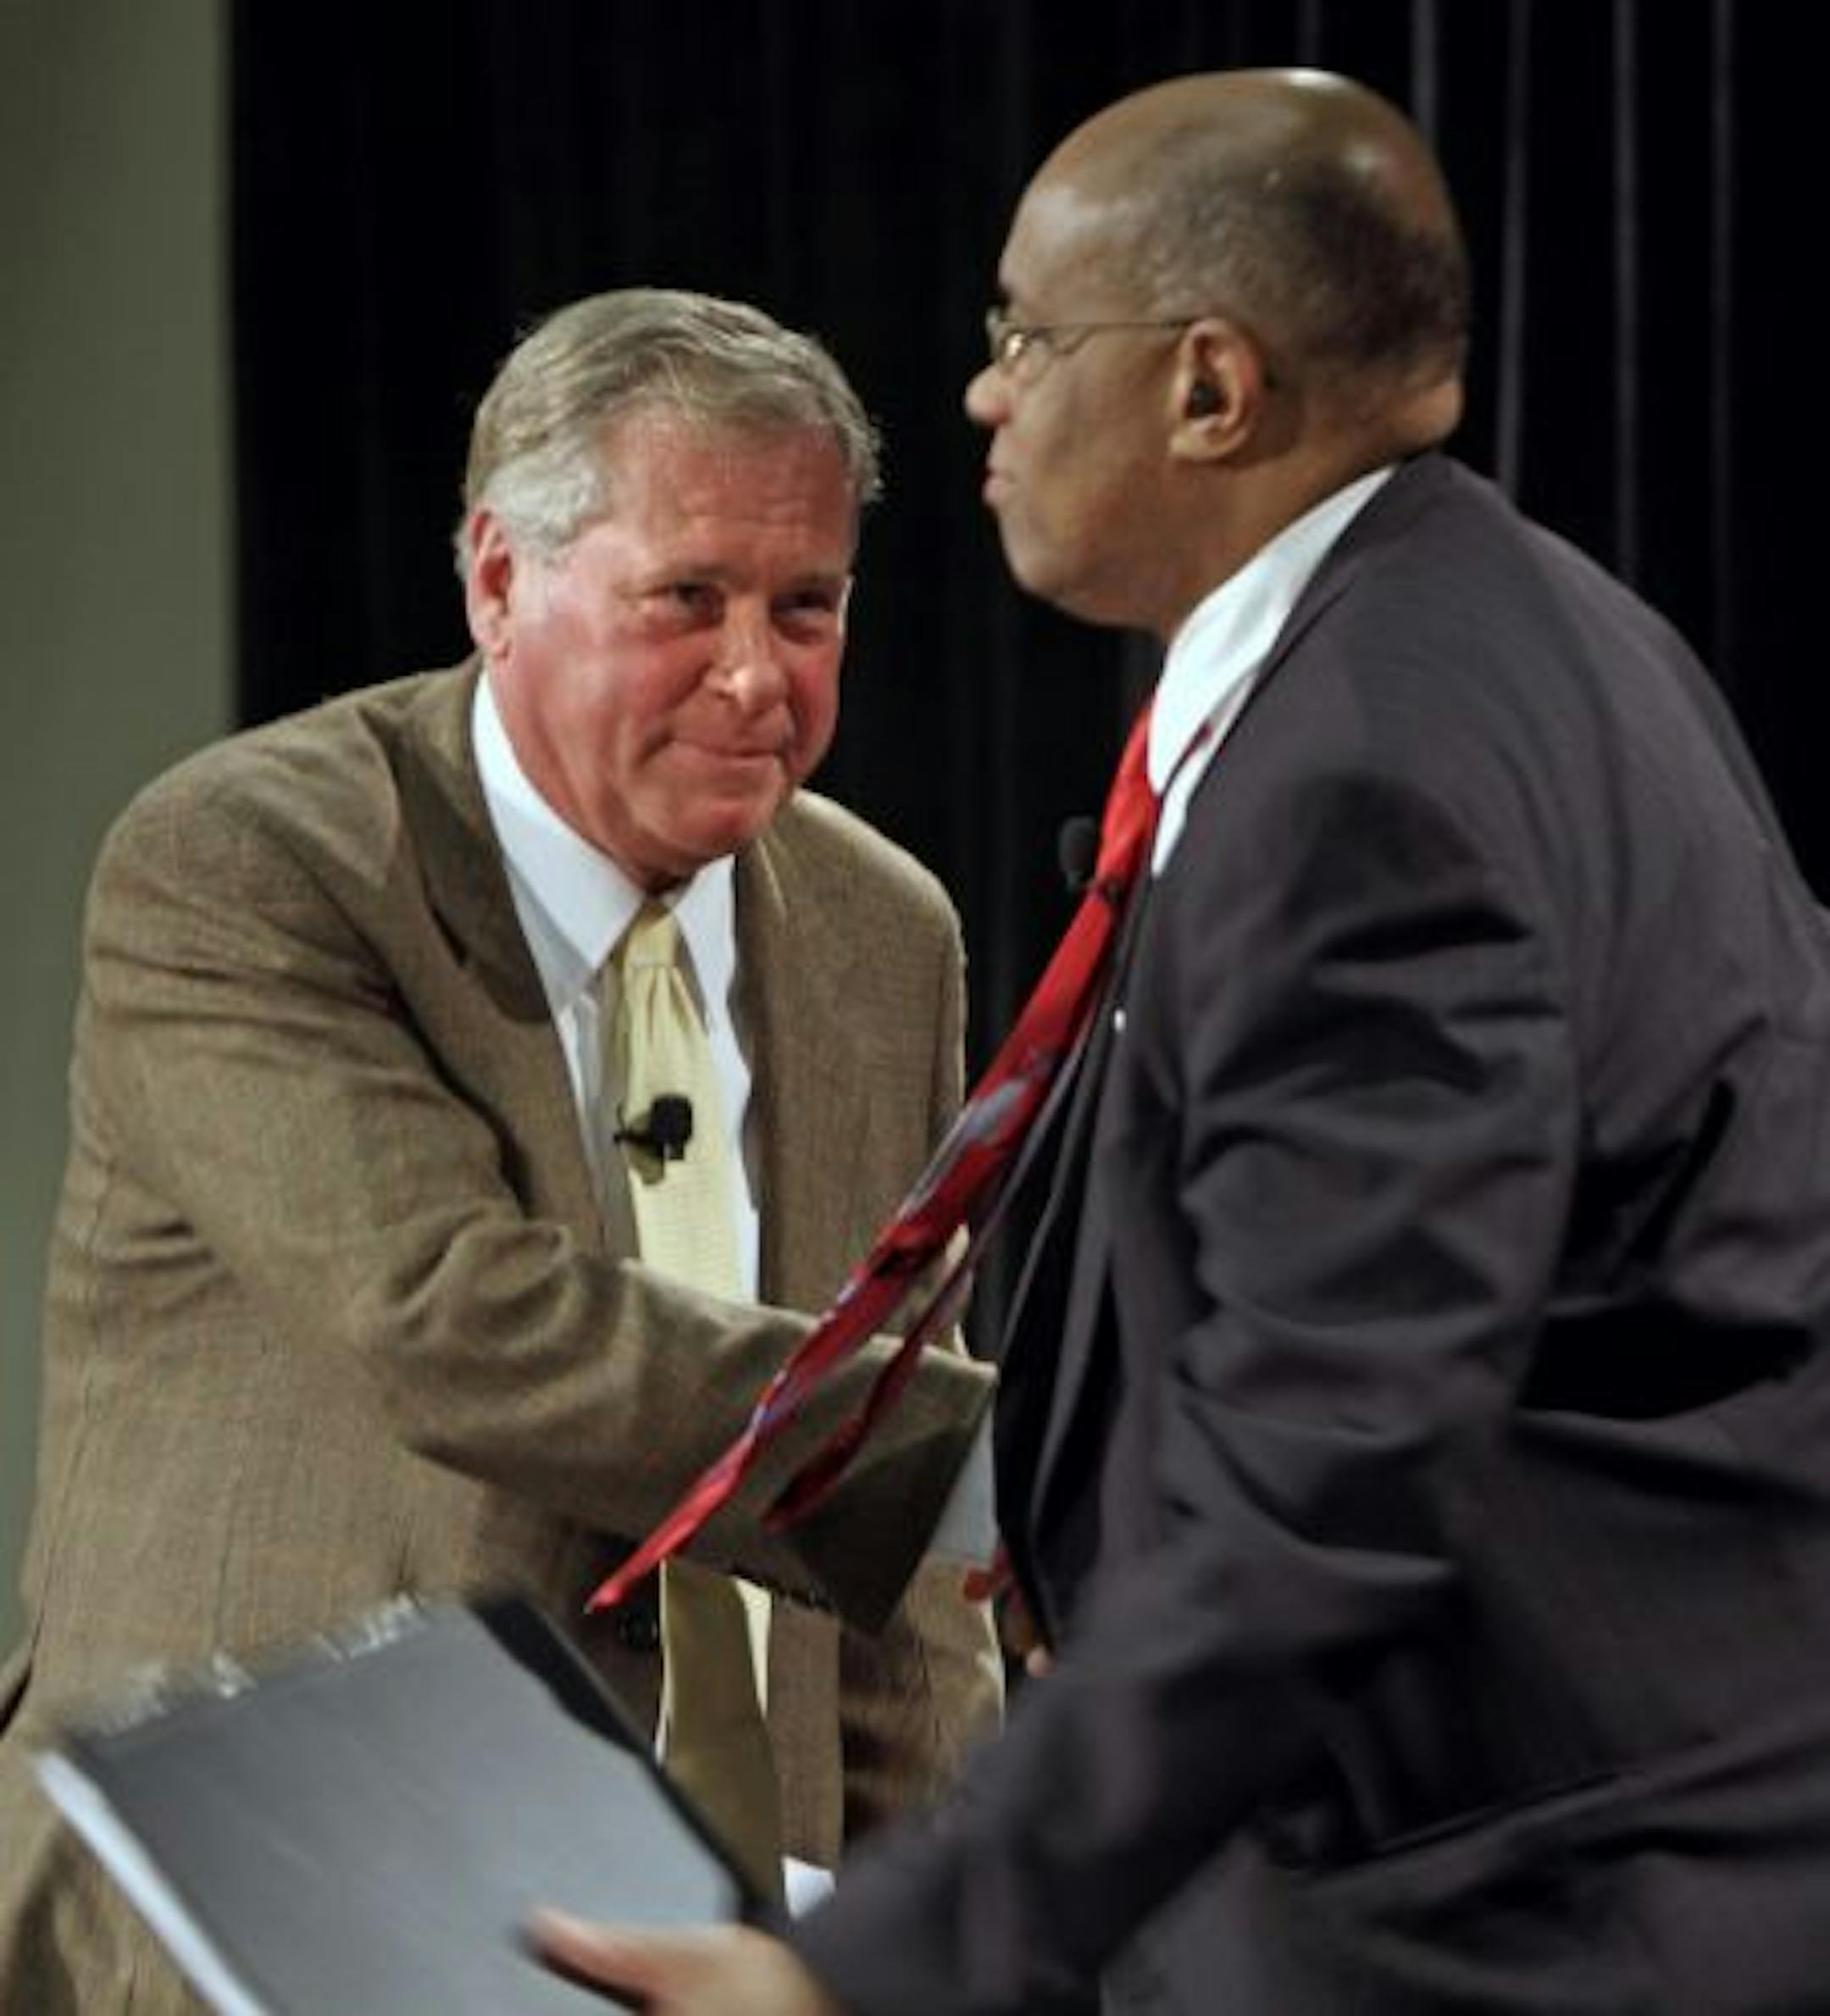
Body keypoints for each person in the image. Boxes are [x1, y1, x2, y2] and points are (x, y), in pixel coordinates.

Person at [532, 67, 1830, 2016]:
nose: (984, 396)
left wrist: (864, 1970)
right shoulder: (1513, 637)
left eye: (1026, 338)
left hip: (1497, 1913)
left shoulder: (1367, 774)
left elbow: (1331, 1475)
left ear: (1210, 388)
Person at [0, 287, 1001, 2012]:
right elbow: (451, 1319)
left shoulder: (880, 932)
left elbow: (905, 1589)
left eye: (808, 606)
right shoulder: (249, 863)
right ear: (496, 579)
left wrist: (925, 1941)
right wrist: (988, 1460)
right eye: (686, 599)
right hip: (261, 1915)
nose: (756, 675)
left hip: (709, 1938)